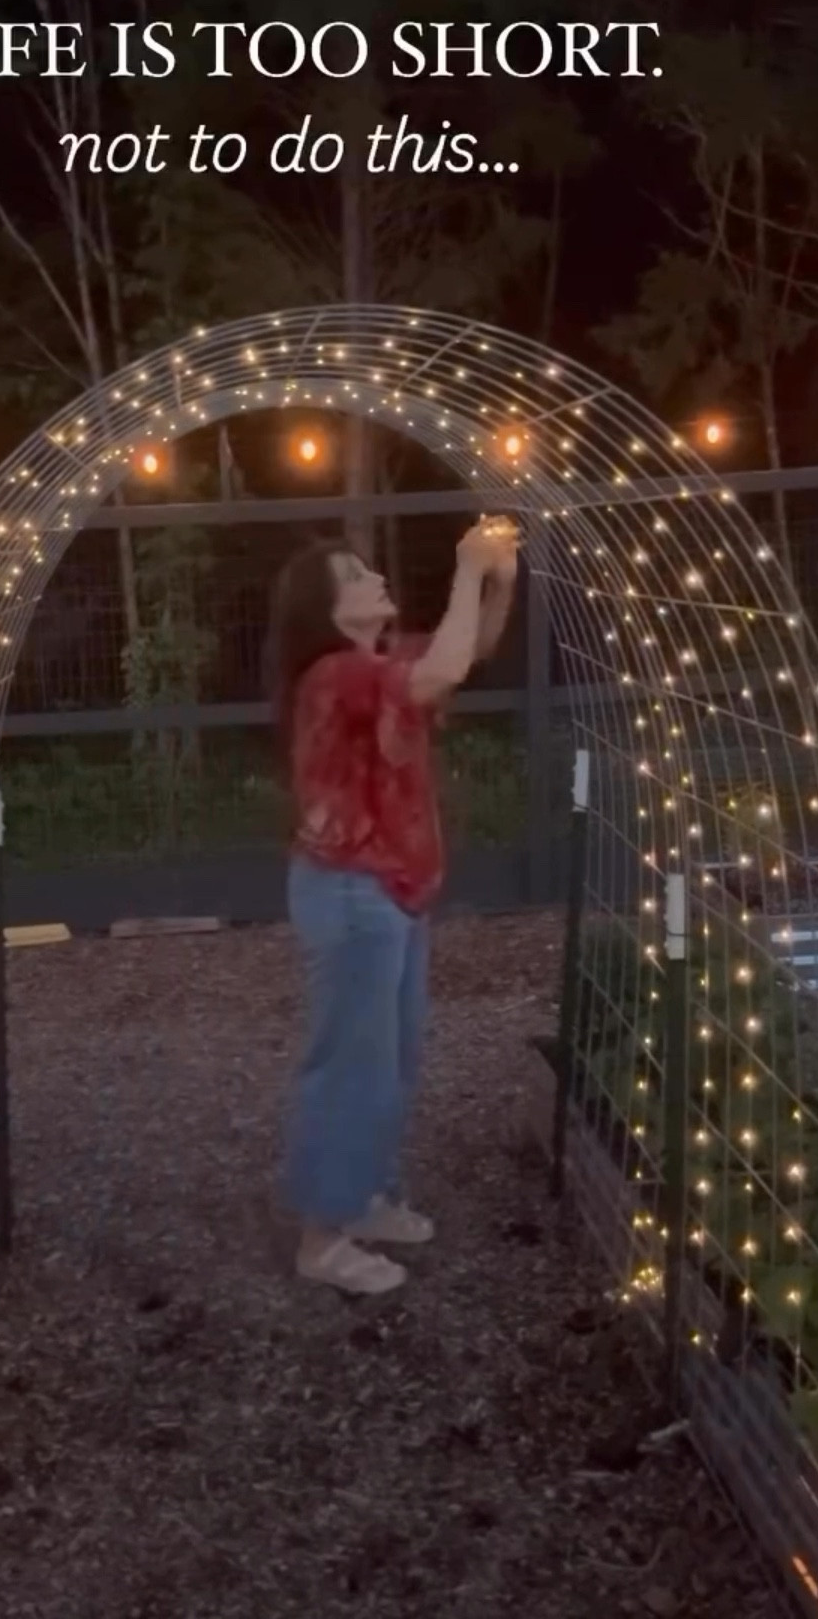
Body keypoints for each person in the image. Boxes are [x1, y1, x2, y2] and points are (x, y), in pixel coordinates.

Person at [269, 520, 520, 1296]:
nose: (376, 578)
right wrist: (466, 567)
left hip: (390, 891)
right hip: (351, 890)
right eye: (355, 576)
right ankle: (322, 1238)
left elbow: (468, 649)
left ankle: (363, 1196)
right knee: (352, 1064)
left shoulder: (379, 662)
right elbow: (444, 669)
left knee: (392, 1062)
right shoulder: (334, 675)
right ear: (325, 610)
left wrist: (499, 581)